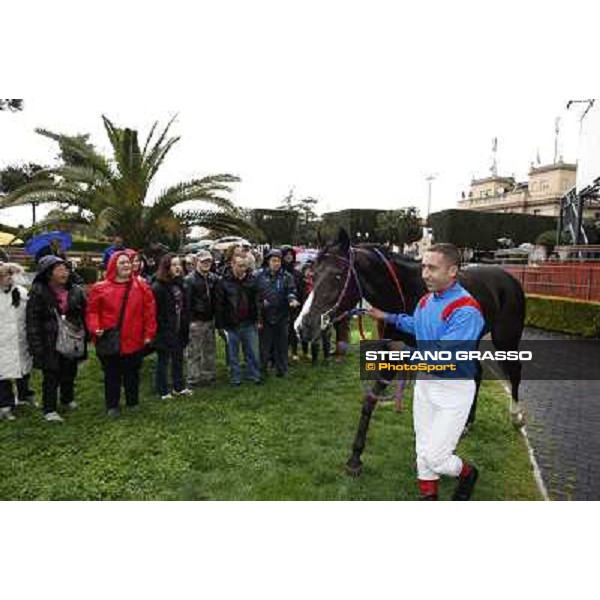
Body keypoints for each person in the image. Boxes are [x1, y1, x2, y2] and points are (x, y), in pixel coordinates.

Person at [368, 243, 484, 501]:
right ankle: (428, 498)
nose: (425, 274)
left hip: (453, 389)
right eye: (423, 267)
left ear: (452, 270)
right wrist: (386, 316)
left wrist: (404, 354)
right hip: (425, 384)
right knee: (423, 449)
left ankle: (467, 473)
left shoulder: (467, 309)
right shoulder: (425, 301)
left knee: (437, 457)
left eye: (432, 268)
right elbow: (416, 324)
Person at [86, 251, 157, 417]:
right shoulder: (100, 288)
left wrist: (149, 333)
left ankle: (133, 402)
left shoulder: (141, 286)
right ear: (113, 266)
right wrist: (95, 328)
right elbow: (92, 312)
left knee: (132, 373)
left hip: (134, 340)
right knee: (112, 374)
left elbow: (149, 311)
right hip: (111, 340)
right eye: (122, 263)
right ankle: (112, 405)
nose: (126, 265)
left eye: (128, 262)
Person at [26, 256, 87, 423]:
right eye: (59, 269)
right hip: (49, 341)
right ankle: (49, 409)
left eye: (65, 269)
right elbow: (32, 321)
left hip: (70, 338)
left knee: (69, 371)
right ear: (48, 273)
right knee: (51, 376)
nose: (64, 272)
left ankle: (67, 399)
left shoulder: (75, 290)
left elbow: (83, 313)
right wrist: (36, 346)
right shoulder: (39, 292)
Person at [215, 255, 262, 387]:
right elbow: (219, 305)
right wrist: (220, 326)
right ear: (232, 265)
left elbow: (257, 302)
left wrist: (259, 319)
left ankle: (254, 374)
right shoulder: (223, 282)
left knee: (252, 351)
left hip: (249, 322)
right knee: (233, 353)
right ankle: (236, 378)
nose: (243, 269)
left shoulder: (252, 281)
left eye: (245, 266)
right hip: (231, 324)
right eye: (240, 266)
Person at [151, 254, 192, 399]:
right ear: (166, 267)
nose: (178, 268)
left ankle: (178, 387)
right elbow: (156, 313)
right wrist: (162, 331)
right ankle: (162, 390)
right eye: (174, 265)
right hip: (164, 330)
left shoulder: (181, 283)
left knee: (178, 359)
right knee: (163, 360)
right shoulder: (157, 287)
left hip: (179, 328)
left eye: (179, 264)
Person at [256, 249, 300, 378]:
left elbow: (291, 290)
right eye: (274, 260)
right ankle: (262, 371)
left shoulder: (287, 276)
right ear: (268, 261)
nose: (276, 263)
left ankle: (282, 370)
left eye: (279, 261)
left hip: (282, 315)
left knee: (282, 346)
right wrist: (260, 303)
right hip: (264, 317)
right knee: (264, 347)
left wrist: (292, 299)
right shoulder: (258, 276)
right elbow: (253, 295)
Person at [0, 263, 33, 420]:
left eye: (10, 274)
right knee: (3, 373)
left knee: (23, 369)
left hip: (20, 339)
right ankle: (6, 405)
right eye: (4, 275)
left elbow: (29, 314)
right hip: (2, 341)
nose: (8, 277)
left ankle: (24, 396)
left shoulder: (21, 292)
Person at [185, 250, 219, 387]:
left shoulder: (213, 278)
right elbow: (187, 303)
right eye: (203, 261)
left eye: (209, 261)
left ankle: (208, 375)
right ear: (196, 262)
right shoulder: (189, 280)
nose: (206, 264)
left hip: (210, 319)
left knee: (209, 349)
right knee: (194, 351)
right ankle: (193, 378)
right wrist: (190, 320)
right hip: (196, 320)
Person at [299, 260, 331, 365]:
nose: (310, 273)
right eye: (307, 270)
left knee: (326, 334)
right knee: (313, 335)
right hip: (309, 312)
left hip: (324, 311)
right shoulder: (301, 283)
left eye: (312, 270)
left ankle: (327, 357)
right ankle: (314, 359)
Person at [280, 245, 303, 363]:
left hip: (295, 305)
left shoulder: (298, 273)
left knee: (294, 329)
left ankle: (294, 351)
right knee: (282, 331)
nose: (289, 256)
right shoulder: (279, 272)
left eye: (291, 254)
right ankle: (282, 352)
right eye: (286, 254)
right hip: (280, 306)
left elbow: (302, 290)